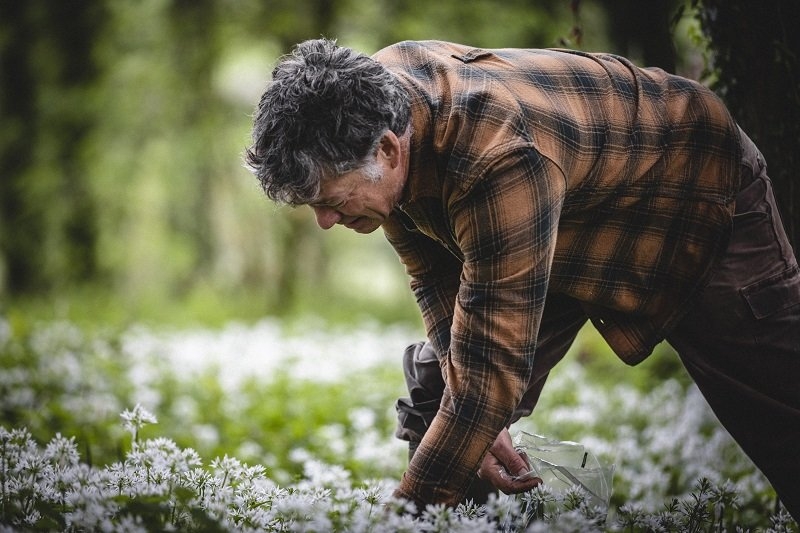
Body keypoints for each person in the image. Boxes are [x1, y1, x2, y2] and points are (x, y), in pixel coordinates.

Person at [245, 38, 800, 517]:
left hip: (686, 195)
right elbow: (435, 281)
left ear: (389, 151)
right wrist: (475, 416)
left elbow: (488, 374)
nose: (323, 222)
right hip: (556, 218)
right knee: (444, 398)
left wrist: (403, 516)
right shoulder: (379, 108)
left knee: (777, 405)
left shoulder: (496, 157)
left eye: (332, 200)